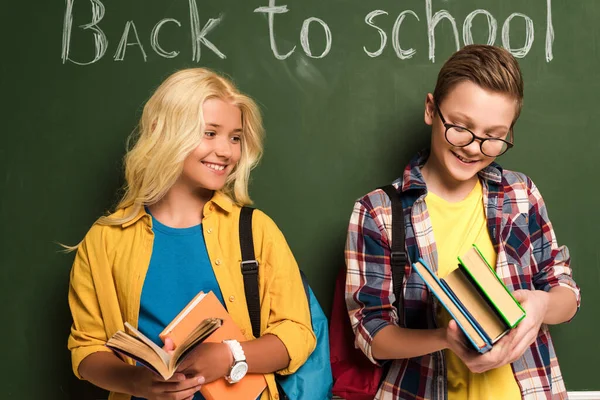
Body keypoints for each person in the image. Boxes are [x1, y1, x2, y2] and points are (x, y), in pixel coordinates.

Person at [344, 45, 580, 399]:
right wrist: (445, 339)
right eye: (460, 127)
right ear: (430, 109)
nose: (473, 147)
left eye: (494, 137)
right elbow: (372, 334)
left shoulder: (521, 194)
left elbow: (565, 291)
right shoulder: (377, 212)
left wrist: (542, 306)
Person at [67, 68, 315, 400]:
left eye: (235, 137)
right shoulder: (105, 239)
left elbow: (297, 334)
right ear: (163, 132)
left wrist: (230, 355)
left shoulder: (256, 230)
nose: (226, 151)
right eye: (209, 133)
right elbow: (87, 348)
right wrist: (138, 383)